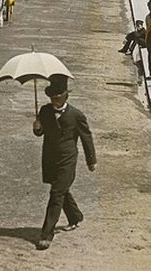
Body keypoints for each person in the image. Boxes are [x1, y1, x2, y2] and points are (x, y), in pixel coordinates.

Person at [32, 77, 96, 251]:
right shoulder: (44, 111)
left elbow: (86, 138)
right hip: (50, 158)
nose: (55, 100)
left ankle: (46, 234)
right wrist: (37, 128)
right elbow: (40, 132)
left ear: (66, 96)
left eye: (58, 97)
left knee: (56, 193)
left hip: (68, 159)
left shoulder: (76, 115)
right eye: (52, 97)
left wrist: (91, 160)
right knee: (61, 190)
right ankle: (75, 217)